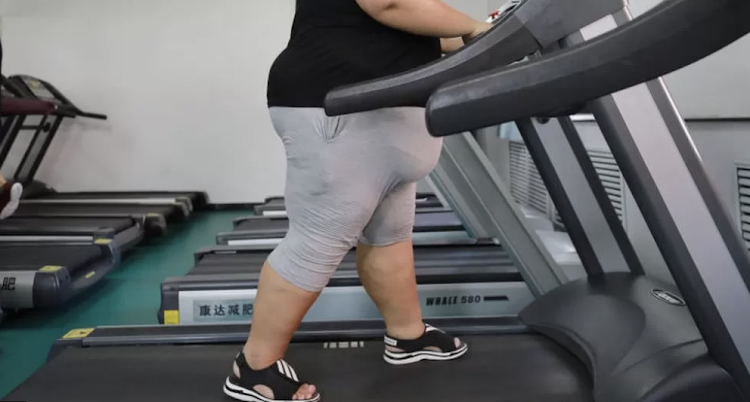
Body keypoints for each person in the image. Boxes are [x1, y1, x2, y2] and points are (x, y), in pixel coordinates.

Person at [224, 1, 492, 401]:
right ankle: (254, 366)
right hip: (338, 101)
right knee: (317, 240)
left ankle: (407, 336)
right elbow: (390, 3)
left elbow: (411, 30)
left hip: (380, 106)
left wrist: (482, 34)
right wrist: (474, 28)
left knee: (390, 233)